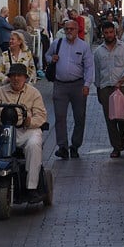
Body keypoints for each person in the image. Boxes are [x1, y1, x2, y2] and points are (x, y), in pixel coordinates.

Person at [0, 63, 47, 204]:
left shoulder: (33, 93)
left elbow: (42, 116)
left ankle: (32, 187)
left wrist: (29, 121)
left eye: (19, 76)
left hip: (27, 131)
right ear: (9, 77)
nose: (16, 79)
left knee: (34, 144)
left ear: (25, 78)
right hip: (6, 131)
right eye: (13, 76)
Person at [45, 18, 94, 158]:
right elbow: (47, 55)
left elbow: (89, 66)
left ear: (77, 30)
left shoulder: (83, 46)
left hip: (78, 85)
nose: (69, 31)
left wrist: (87, 84)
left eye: (71, 29)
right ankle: (62, 146)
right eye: (66, 29)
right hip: (60, 85)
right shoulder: (57, 43)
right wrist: (51, 59)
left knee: (80, 117)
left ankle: (75, 145)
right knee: (60, 117)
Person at [94, 19, 124, 158]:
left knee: (123, 118)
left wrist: (122, 79)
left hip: (122, 87)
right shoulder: (98, 52)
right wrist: (98, 89)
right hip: (105, 87)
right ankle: (116, 147)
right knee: (110, 119)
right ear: (103, 34)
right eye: (106, 33)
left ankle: (121, 136)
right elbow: (97, 72)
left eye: (111, 32)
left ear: (115, 32)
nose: (109, 35)